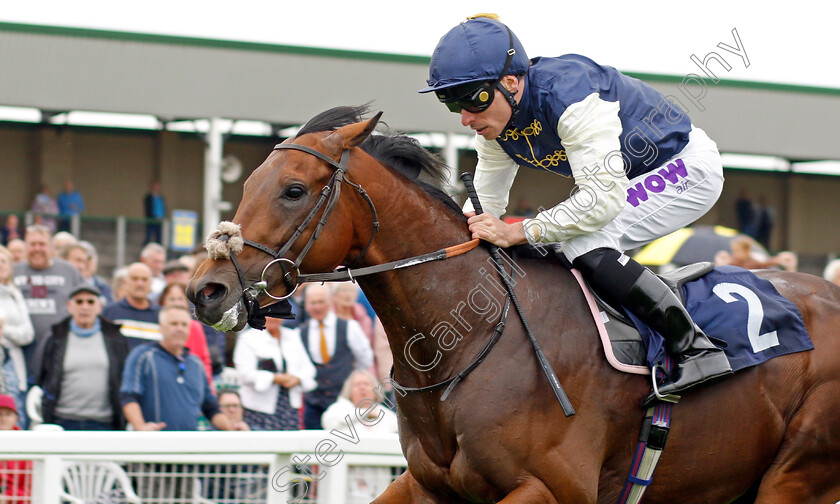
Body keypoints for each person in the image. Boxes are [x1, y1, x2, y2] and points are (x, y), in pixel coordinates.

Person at [420, 14, 732, 401]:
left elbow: (601, 200)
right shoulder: (497, 125)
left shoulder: (571, 95)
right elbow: (483, 210)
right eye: (452, 103)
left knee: (585, 240)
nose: (466, 117)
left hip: (684, 166)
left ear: (511, 83)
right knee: (555, 240)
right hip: (627, 181)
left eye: (474, 99)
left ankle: (695, 348)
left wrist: (518, 230)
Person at [120, 305, 237, 431]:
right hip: (153, 443)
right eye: (174, 324)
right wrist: (140, 427)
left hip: (188, 445)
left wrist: (232, 430)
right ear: (161, 326)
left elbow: (211, 408)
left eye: (184, 324)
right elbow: (128, 396)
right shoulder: (143, 356)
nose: (179, 329)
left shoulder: (196, 364)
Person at [38, 285, 129, 430]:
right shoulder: (56, 337)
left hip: (105, 422)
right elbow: (43, 375)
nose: (85, 307)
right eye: (79, 302)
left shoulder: (115, 338)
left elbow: (123, 377)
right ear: (69, 306)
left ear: (99, 306)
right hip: (62, 420)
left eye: (90, 302)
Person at [12, 225, 83, 383]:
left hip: (60, 353)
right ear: (25, 247)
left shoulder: (69, 271)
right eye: (32, 244)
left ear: (51, 248)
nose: (37, 248)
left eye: (42, 244)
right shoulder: (13, 271)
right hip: (20, 356)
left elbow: (84, 303)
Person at [299, 284, 373, 429]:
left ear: (330, 301)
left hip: (343, 404)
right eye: (313, 303)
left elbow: (365, 360)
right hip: (313, 403)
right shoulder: (300, 332)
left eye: (321, 302)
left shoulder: (350, 327)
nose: (317, 307)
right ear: (306, 305)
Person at [321, 370, 399, 501]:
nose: (362, 387)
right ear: (349, 390)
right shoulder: (338, 409)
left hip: (378, 480)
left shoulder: (387, 415)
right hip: (344, 481)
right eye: (357, 385)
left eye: (366, 384)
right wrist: (363, 413)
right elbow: (329, 423)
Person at [234, 314, 316, 430]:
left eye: (277, 314)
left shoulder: (292, 335)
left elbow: (308, 368)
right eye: (269, 315)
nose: (273, 318)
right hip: (259, 408)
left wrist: (296, 378)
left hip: (289, 407)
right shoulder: (248, 338)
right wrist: (275, 378)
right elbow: (245, 373)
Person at [0, 245, 34, 426]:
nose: (1, 265)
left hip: (14, 367)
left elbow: (27, 334)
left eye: (4, 261)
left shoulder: (15, 294)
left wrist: (3, 330)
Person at [158, 282, 212, 383]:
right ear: (163, 302)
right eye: (172, 299)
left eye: (180, 299)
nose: (176, 303)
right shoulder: (156, 324)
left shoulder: (195, 327)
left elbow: (204, 359)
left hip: (192, 379)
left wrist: (207, 385)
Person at [103, 262, 160, 350]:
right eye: (135, 279)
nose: (140, 284)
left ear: (151, 283)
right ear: (125, 282)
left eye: (144, 279)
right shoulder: (110, 312)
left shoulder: (161, 315)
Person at [0, 394, 33, 502]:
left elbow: (30, 488)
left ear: (16, 418)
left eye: (8, 414)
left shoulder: (26, 445)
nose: (3, 419)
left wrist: (7, 497)